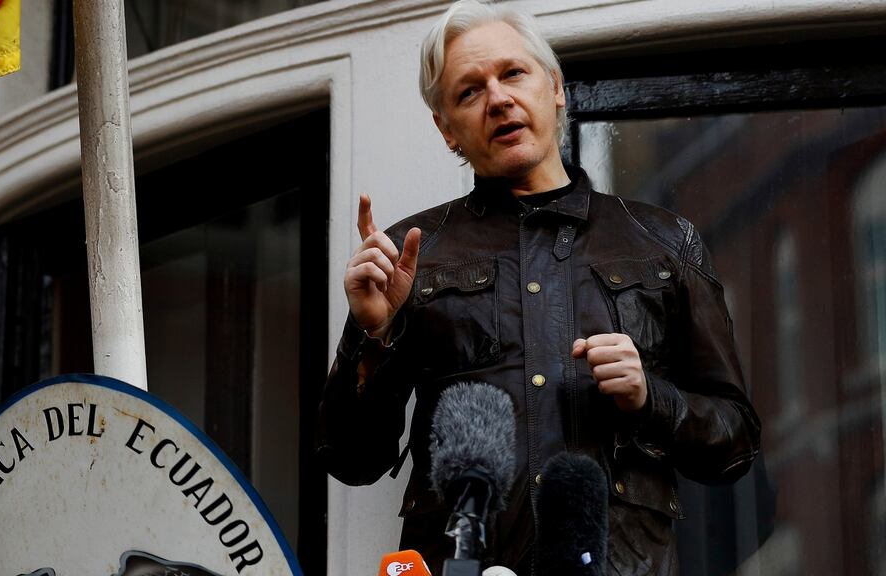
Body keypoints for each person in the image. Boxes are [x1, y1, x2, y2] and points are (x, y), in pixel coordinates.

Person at [317, 1, 761, 574]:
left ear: (555, 88)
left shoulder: (664, 242)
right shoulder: (410, 256)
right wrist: (371, 335)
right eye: (469, 92)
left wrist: (651, 399)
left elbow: (736, 446)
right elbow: (351, 460)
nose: (498, 99)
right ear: (447, 131)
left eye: (513, 74)